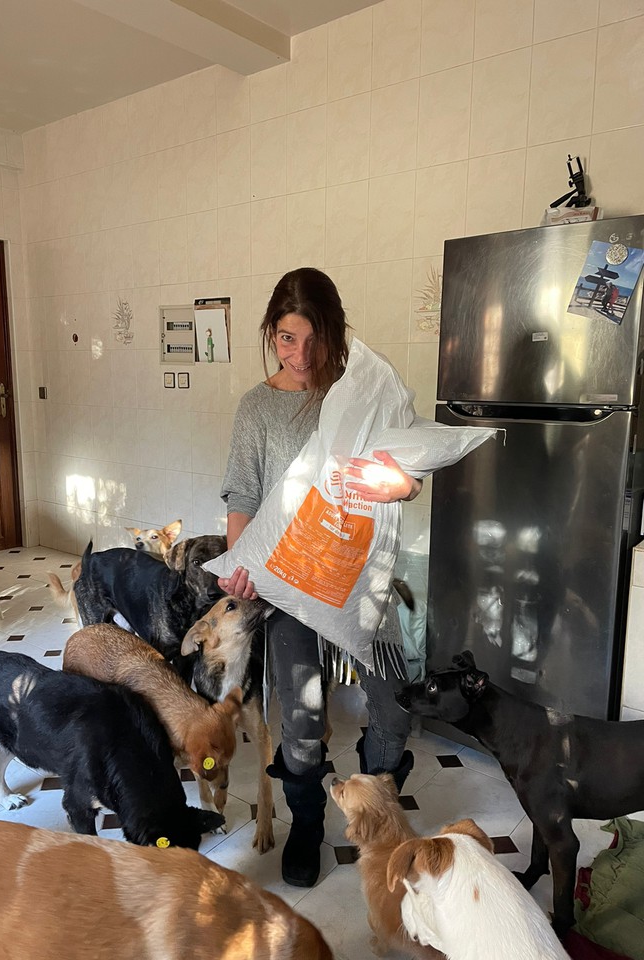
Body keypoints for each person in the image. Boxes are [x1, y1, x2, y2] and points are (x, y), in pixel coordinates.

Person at [219, 267, 422, 888]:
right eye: (286, 339)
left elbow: (409, 479)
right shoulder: (257, 409)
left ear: (336, 332)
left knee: (393, 710)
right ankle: (307, 823)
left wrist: (398, 482)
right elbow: (243, 498)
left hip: (366, 586)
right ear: (271, 334)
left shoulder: (362, 394)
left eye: (314, 340)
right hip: (293, 592)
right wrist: (240, 567)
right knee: (303, 724)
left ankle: (374, 810)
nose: (301, 356)